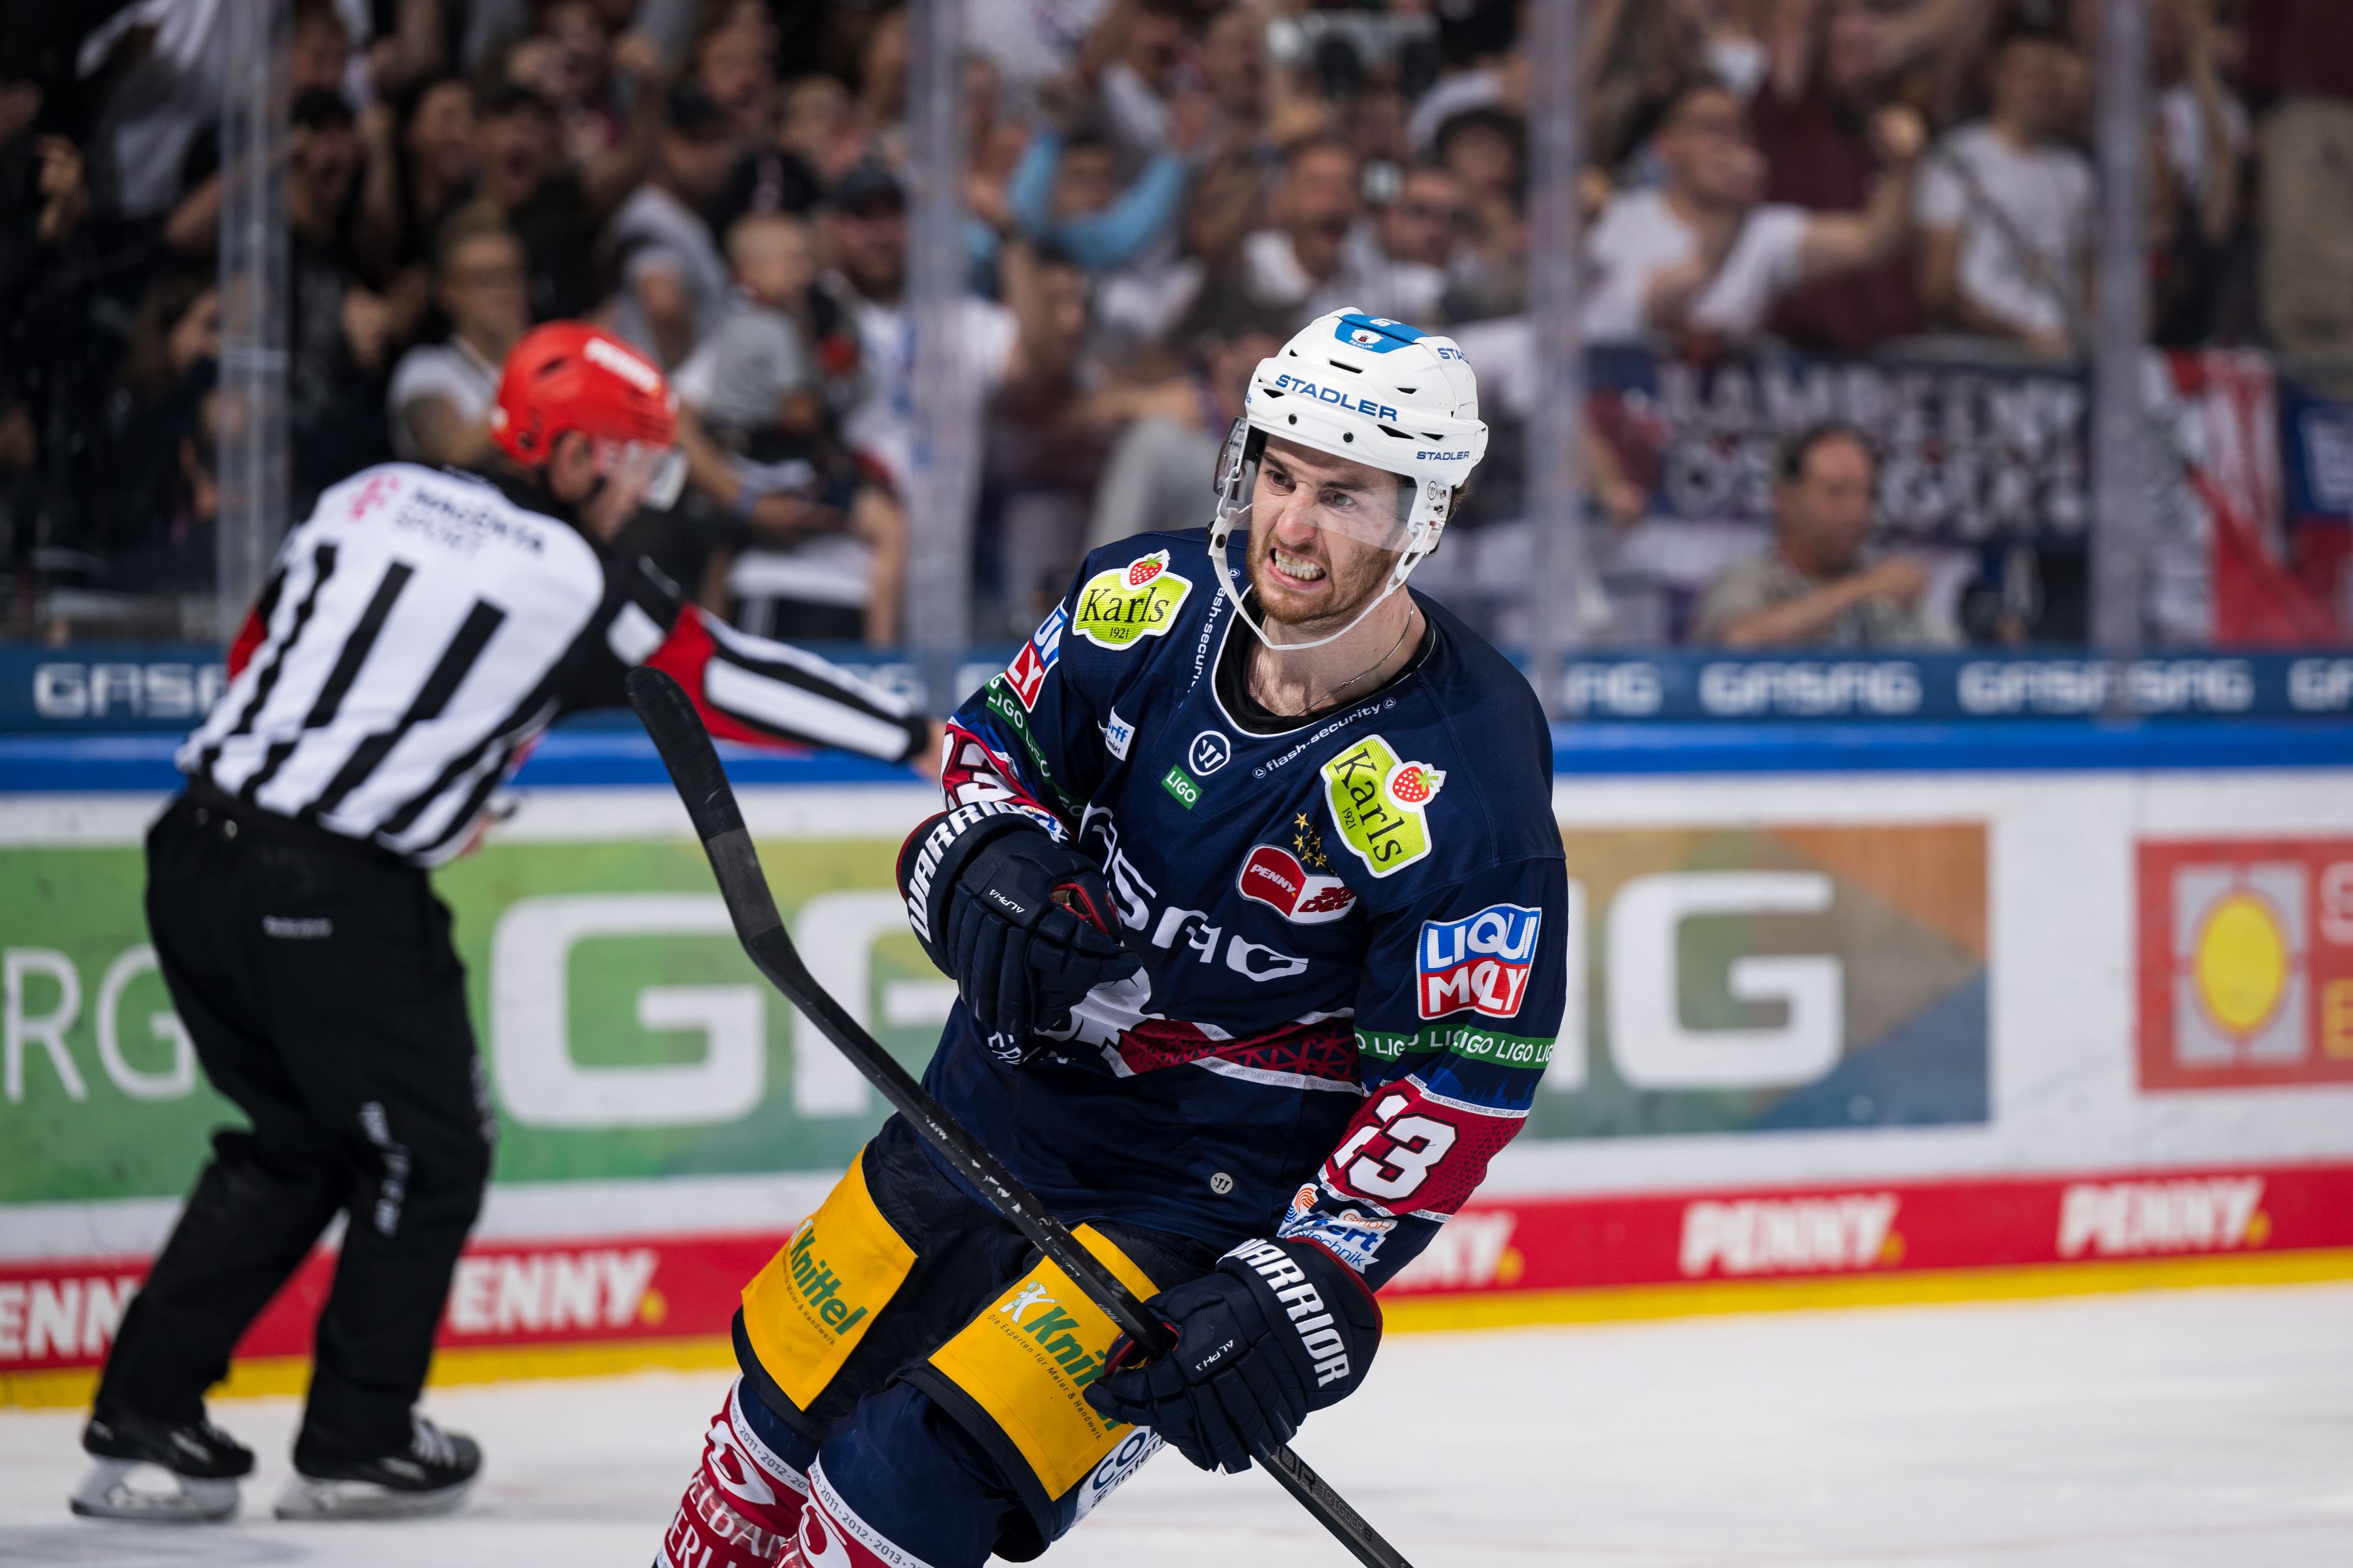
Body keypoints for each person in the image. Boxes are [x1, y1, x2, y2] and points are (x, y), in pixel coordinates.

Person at [651, 308, 1569, 1568]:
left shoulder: (1465, 775)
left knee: (905, 1480)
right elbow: (992, 754)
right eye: (1280, 476)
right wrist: (989, 856)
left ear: (1425, 516)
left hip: (1197, 1188)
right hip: (987, 1105)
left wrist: (1308, 1280)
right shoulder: (1143, 600)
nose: (1292, 527)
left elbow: (1460, 1072)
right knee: (770, 1430)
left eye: (1344, 496)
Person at [72, 322, 935, 1526]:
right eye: (635, 464)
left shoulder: (369, 494)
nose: (642, 494)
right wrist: (914, 736)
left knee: (296, 1143)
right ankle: (357, 1441)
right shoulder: (580, 580)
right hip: (330, 887)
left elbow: (267, 655)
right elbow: (722, 678)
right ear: (574, 455)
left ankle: (146, 1419)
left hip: (194, 851)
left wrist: (398, 783)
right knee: (428, 1150)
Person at [1581, 77, 1924, 347]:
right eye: (1710, 128)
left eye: (1738, 129)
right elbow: (1652, 304)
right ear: (1667, 145)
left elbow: (1873, 240)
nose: (1726, 144)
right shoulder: (1617, 219)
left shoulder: (1763, 230)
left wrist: (1903, 167)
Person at [1914, 24, 2095, 356]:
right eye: (2027, 75)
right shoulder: (1954, 159)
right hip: (1980, 361)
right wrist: (2020, 339)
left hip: (2063, 363)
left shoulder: (2076, 173)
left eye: (2050, 77)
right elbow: (1937, 287)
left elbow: (2087, 282)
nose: (2039, 88)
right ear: (1995, 77)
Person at [1694, 422, 1951, 648]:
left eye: (1868, 494)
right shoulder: (1751, 579)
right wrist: (1860, 589)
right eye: (1837, 492)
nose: (1857, 510)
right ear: (1786, 498)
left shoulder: (1888, 591)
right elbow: (1738, 643)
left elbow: (1952, 668)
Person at [386, 204, 531, 467]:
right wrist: (526, 368)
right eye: (486, 279)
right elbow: (452, 453)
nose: (504, 291)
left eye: (513, 275)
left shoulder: (552, 363)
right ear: (448, 290)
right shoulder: (426, 369)